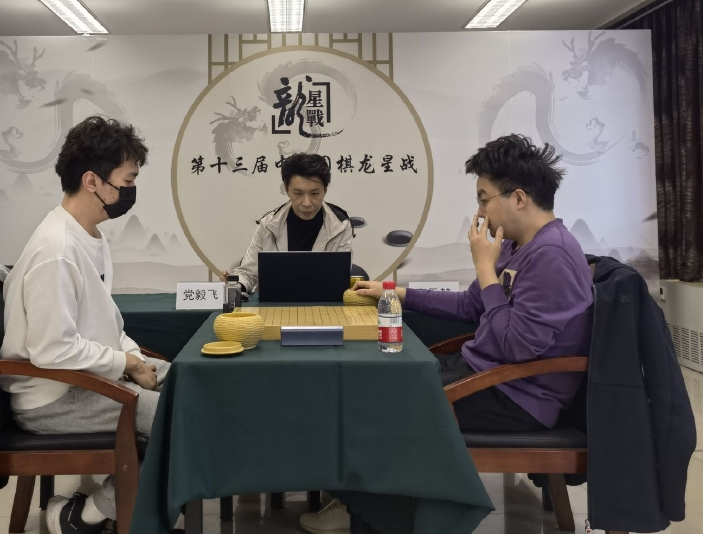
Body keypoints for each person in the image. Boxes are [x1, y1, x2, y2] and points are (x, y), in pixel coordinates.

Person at [301, 134, 594, 534]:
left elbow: (517, 346)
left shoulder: (552, 256)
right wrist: (393, 292)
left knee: (375, 403)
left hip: (515, 395)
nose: (480, 211)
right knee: (369, 381)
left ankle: (370, 512)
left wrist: (485, 269)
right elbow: (471, 306)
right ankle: (363, 502)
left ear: (518, 198)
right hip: (483, 374)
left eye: (484, 199)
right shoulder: (517, 246)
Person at [0, 116, 167, 534]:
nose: (131, 190)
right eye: (128, 180)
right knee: (184, 418)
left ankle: (126, 511)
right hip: (56, 398)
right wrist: (127, 364)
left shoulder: (88, 236)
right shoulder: (56, 250)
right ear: (92, 181)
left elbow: (106, 322)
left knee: (189, 383)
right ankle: (85, 515)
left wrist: (133, 358)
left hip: (84, 381)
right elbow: (52, 349)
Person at [221, 152, 353, 292]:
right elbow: (248, 273)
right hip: (274, 303)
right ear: (286, 189)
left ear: (325, 190)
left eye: (314, 194)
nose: (307, 203)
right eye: (298, 194)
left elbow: (339, 278)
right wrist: (235, 285)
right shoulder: (268, 224)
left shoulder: (341, 226)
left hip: (323, 302)